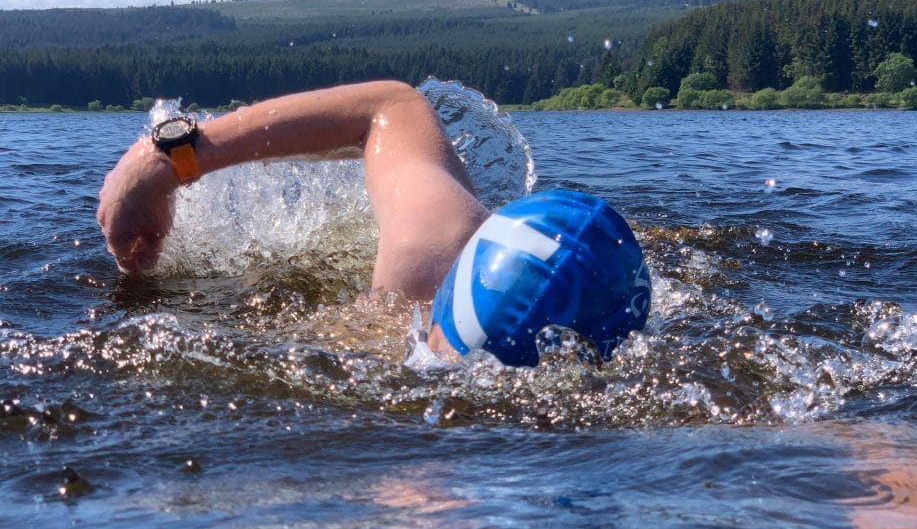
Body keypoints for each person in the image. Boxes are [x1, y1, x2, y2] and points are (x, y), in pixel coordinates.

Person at [97, 81, 650, 366]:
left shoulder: (418, 277)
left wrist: (168, 158)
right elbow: (390, 105)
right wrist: (165, 161)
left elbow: (389, 103)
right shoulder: (436, 245)